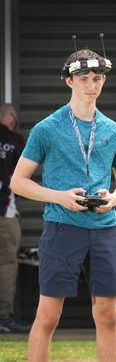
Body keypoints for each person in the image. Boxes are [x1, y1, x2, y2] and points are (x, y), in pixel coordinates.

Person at [11, 48, 116, 362]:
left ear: (103, 80)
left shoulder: (115, 131)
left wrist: (115, 199)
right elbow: (18, 182)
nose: (91, 85)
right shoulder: (46, 129)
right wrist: (60, 196)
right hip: (62, 227)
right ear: (69, 81)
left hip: (104, 230)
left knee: (107, 315)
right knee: (49, 315)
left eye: (97, 78)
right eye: (83, 79)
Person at [0, 103, 29, 333]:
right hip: (5, 213)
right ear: (10, 119)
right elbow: (22, 178)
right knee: (7, 264)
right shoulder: (16, 141)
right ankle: (3, 317)